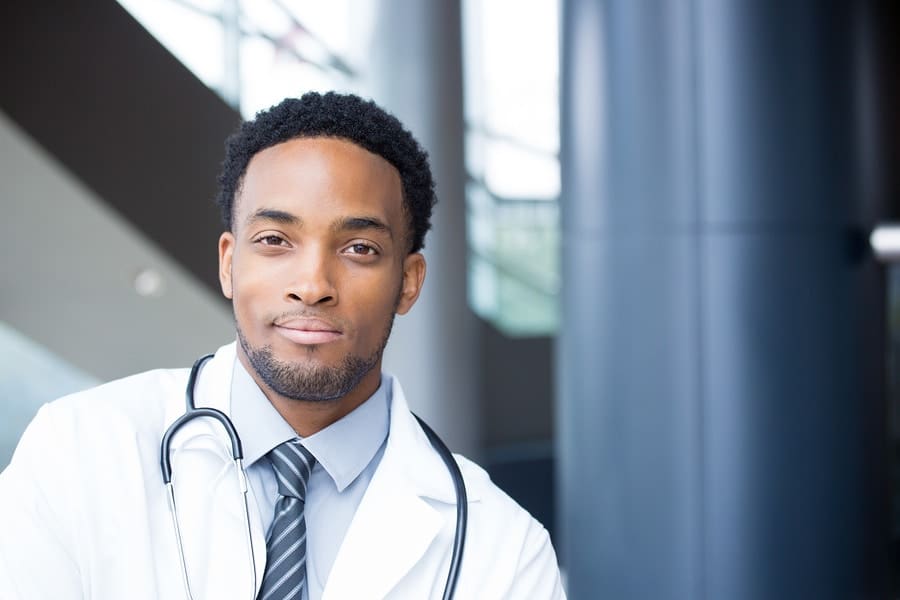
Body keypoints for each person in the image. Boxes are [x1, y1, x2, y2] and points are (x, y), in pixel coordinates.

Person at [0, 92, 565, 599]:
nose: (313, 285)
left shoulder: (504, 550)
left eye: (360, 248)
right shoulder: (77, 452)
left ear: (409, 282)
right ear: (228, 263)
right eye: (274, 240)